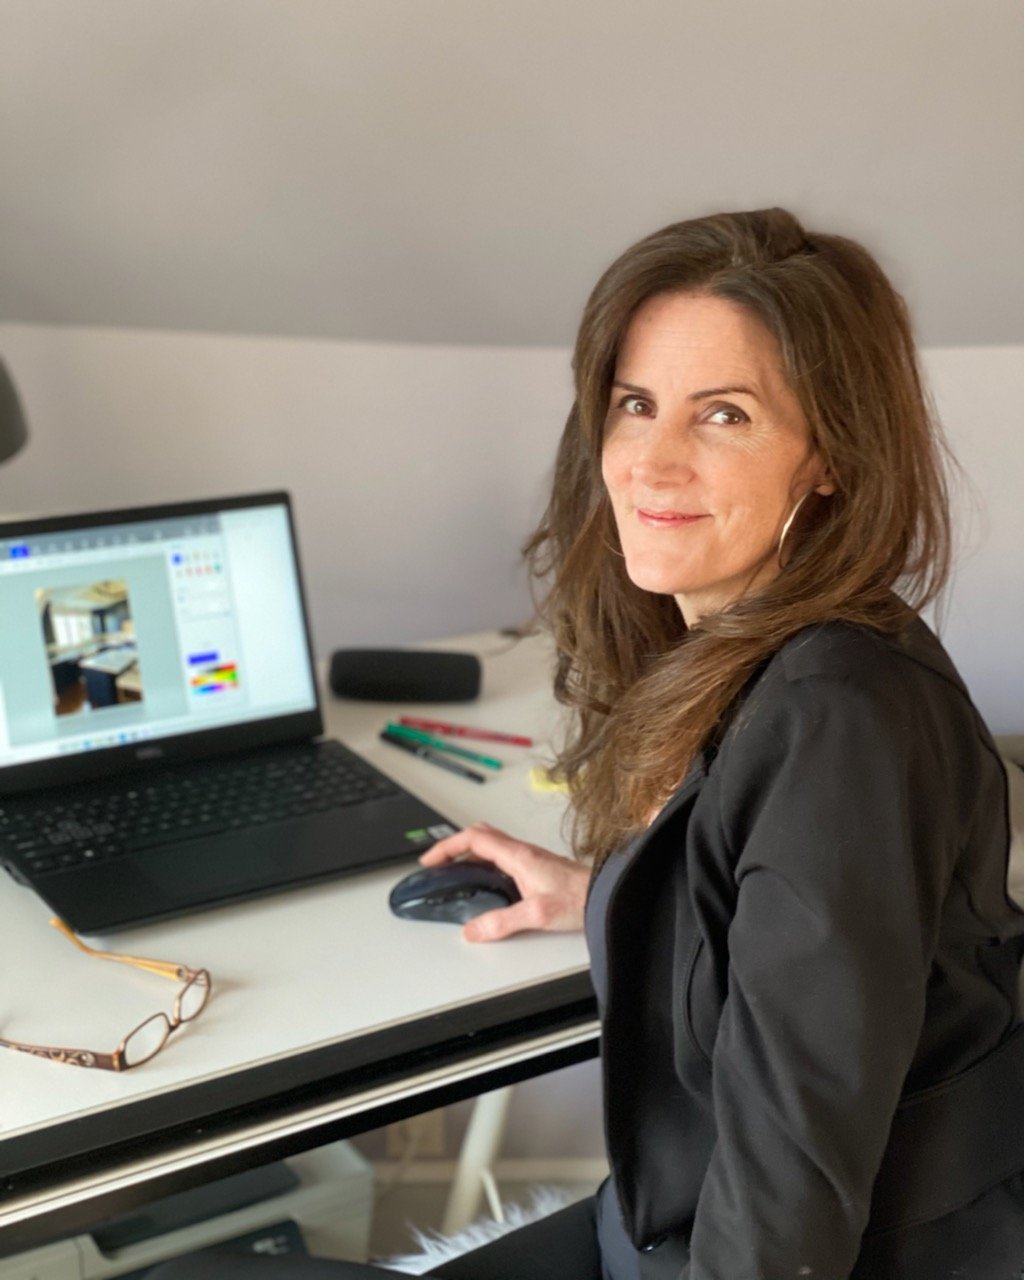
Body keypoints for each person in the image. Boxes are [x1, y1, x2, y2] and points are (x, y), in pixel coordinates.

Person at [152, 208, 1023, 1279]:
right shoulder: (769, 652)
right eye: (635, 404)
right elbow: (788, 918)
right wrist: (608, 890)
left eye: (723, 415)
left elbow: (790, 1196)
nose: (650, 463)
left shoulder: (835, 716)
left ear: (830, 454)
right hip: (657, 1226)